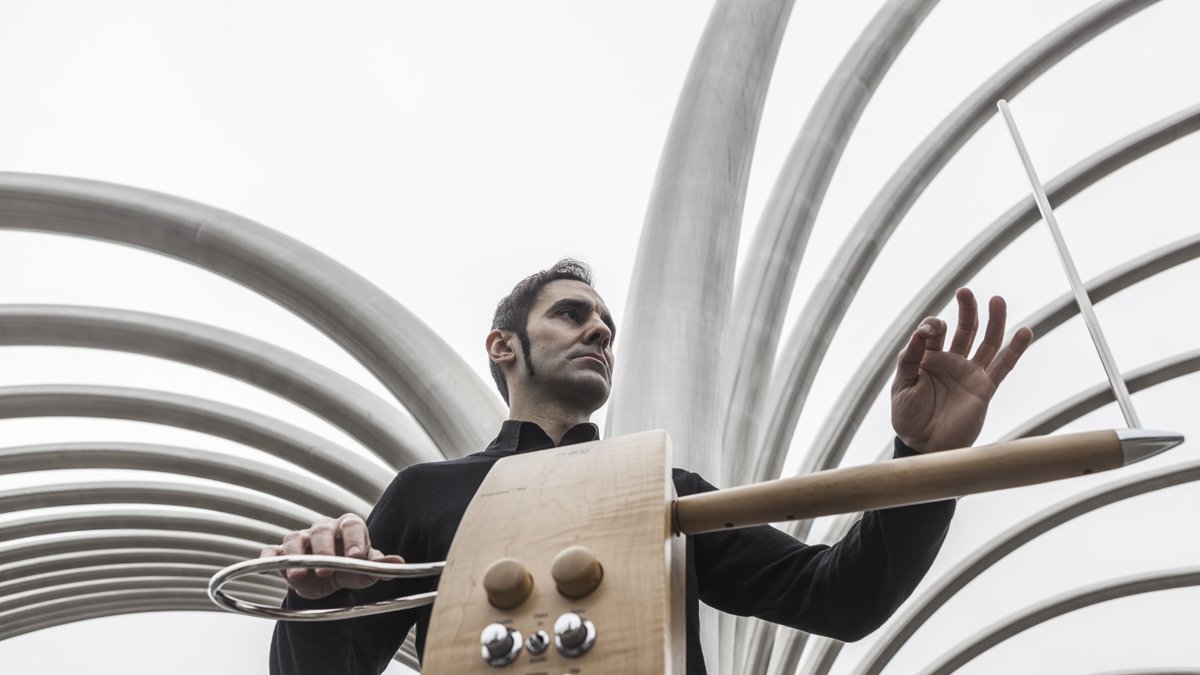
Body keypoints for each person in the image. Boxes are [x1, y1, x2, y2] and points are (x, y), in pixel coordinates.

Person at [267, 259, 1033, 674]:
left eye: (607, 322)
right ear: (504, 346)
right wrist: (314, 597)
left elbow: (841, 594)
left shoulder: (665, 492)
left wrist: (924, 460)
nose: (601, 331)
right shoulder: (427, 496)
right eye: (571, 313)